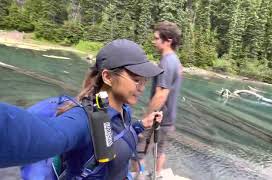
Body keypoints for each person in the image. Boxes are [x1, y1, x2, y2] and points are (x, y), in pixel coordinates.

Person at [0, 39, 164, 179]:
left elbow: (119, 136)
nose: (142, 87)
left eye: (145, 80)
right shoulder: (83, 120)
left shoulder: (124, 109)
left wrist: (141, 125)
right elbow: (47, 136)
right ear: (107, 77)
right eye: (136, 79)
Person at [132, 21, 183, 176]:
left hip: (157, 117)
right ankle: (157, 175)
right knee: (160, 149)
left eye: (156, 38)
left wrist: (146, 117)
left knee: (137, 152)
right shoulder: (175, 61)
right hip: (169, 117)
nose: (153, 42)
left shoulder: (167, 62)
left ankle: (140, 178)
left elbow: (161, 94)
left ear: (168, 40)